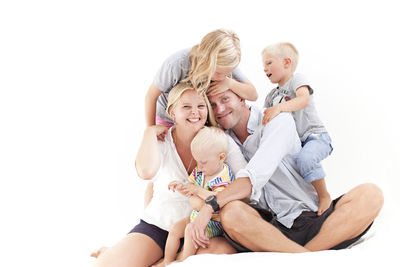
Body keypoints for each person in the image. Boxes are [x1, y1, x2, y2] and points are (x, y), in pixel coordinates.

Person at [188, 89, 383, 253]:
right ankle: (309, 258)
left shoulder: (277, 119)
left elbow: (254, 176)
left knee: (371, 194)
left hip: (313, 217)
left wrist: (209, 206)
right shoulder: (220, 142)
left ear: (241, 98)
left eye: (224, 99)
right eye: (212, 105)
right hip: (267, 229)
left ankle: (301, 257)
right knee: (231, 213)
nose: (220, 109)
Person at [92, 82, 247, 267]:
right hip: (159, 226)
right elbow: (146, 173)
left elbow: (246, 185)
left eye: (201, 106)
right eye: (186, 107)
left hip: (204, 229)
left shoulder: (221, 141)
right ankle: (138, 257)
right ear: (172, 113)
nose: (195, 112)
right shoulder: (162, 141)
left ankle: (159, 261)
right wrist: (149, 132)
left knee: (224, 253)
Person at [261, 42, 333, 215]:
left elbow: (303, 100)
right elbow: (264, 119)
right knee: (290, 169)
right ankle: (304, 204)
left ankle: (324, 196)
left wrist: (278, 108)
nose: (264, 69)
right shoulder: (271, 96)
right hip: (296, 143)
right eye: (263, 65)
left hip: (315, 136)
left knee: (306, 159)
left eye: (269, 63)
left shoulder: (297, 80)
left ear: (286, 63)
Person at [145, 28, 258, 128]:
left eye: (227, 73)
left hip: (199, 120)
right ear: (205, 59)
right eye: (218, 73)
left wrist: (230, 83)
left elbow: (253, 95)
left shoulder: (225, 64)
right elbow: (151, 96)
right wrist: (151, 130)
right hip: (168, 119)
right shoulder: (176, 64)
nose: (222, 77)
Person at [154, 126, 234, 266]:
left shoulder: (224, 177)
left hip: (214, 222)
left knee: (190, 230)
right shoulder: (200, 171)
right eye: (197, 161)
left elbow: (218, 198)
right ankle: (167, 261)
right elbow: (189, 186)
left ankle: (183, 261)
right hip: (196, 215)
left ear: (221, 157)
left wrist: (196, 190)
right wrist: (180, 186)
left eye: (203, 162)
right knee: (175, 229)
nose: (199, 166)